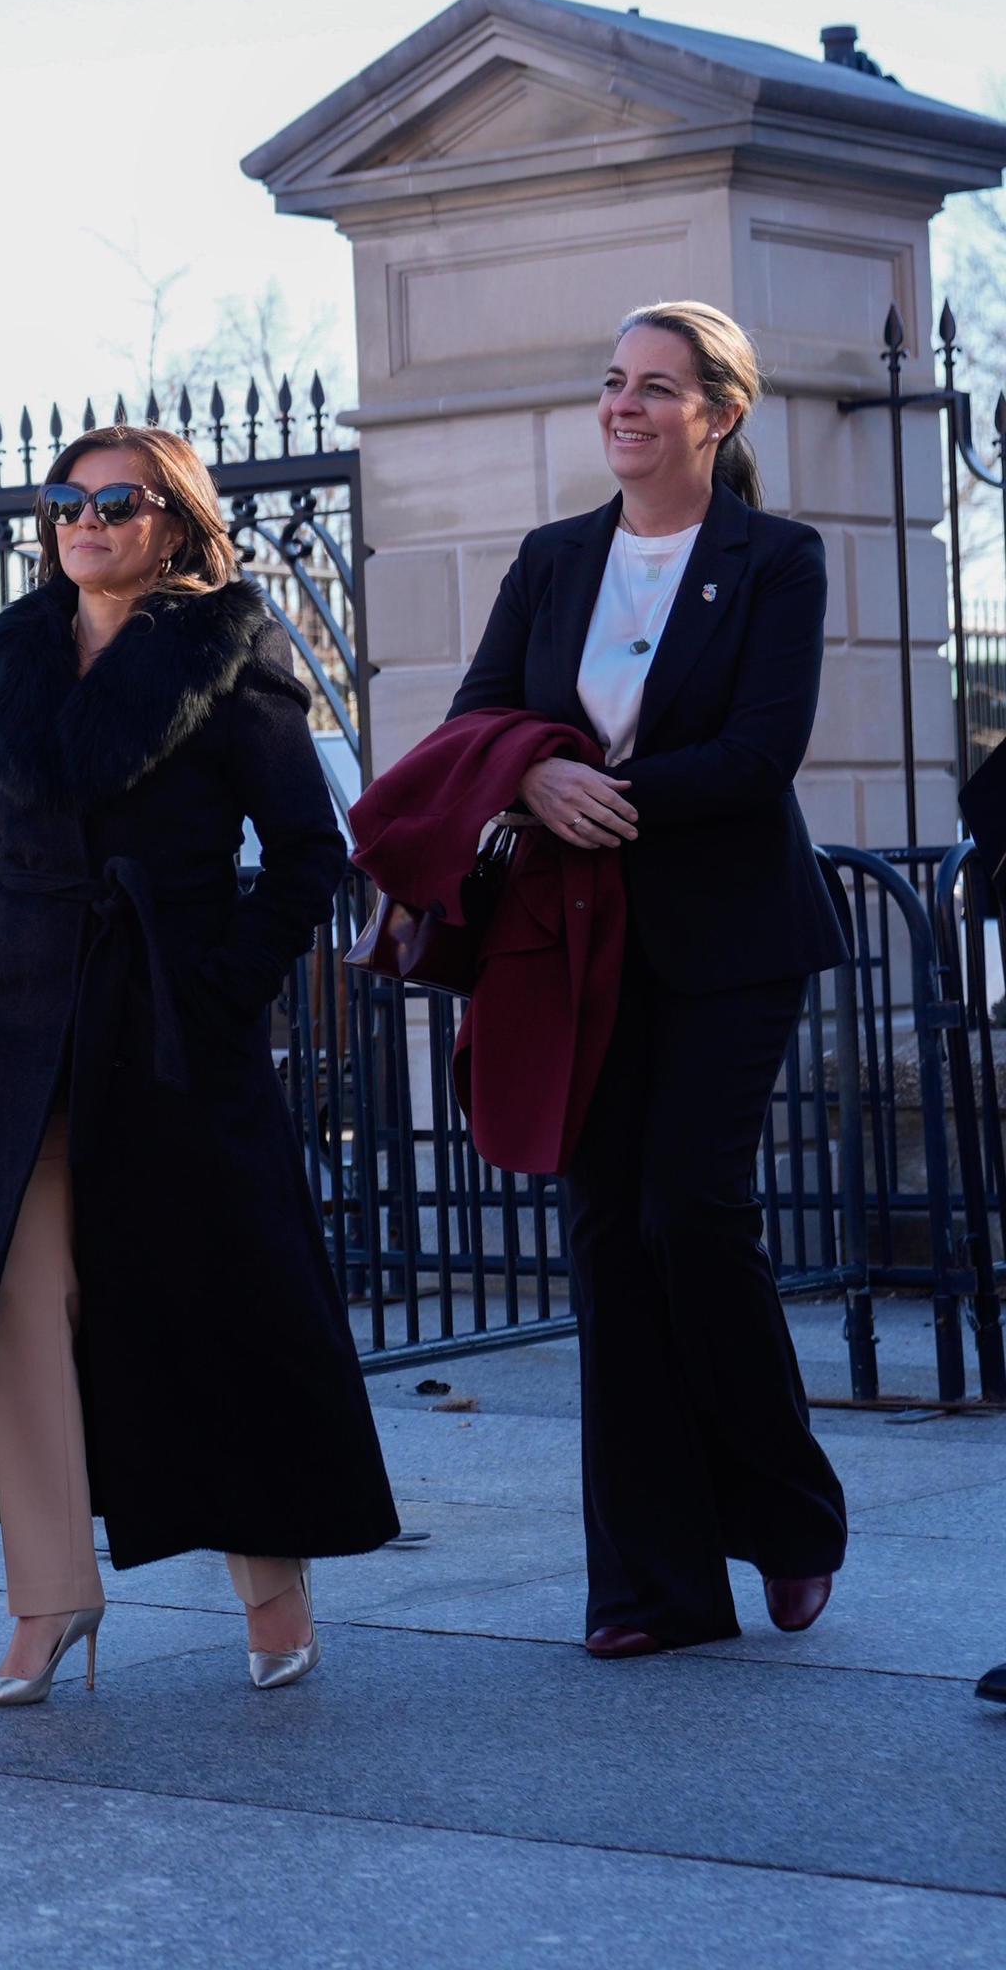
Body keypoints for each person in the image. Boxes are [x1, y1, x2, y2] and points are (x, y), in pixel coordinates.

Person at [0, 424, 399, 1707]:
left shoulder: (228, 648)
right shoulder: (14, 657)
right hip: (15, 1034)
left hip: (169, 1031)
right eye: (67, 500)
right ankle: (49, 1600)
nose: (86, 520)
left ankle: (272, 1589)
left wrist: (219, 989)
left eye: (116, 501)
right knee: (19, 1305)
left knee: (210, 1300)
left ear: (173, 520)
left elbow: (309, 853)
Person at [445, 300, 848, 1657]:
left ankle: (785, 1513)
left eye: (657, 387)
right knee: (609, 1238)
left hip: (731, 937)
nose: (625, 404)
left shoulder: (775, 559)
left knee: (691, 1209)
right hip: (575, 938)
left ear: (718, 415)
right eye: (615, 381)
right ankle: (653, 1588)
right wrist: (532, 780)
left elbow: (758, 755)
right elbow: (478, 717)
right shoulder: (556, 558)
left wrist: (595, 793)